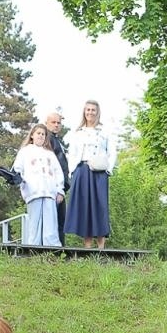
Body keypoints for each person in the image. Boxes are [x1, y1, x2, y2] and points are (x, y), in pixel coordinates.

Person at [63, 100, 115, 249]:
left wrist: (108, 169)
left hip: (99, 172)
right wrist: (73, 171)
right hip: (82, 170)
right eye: (88, 110)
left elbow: (112, 152)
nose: (90, 112)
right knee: (84, 206)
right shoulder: (78, 132)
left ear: (97, 112)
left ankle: (101, 247)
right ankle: (87, 247)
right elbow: (72, 153)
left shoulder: (105, 131)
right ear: (84, 112)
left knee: (100, 206)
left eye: (93, 110)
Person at [13, 123, 65, 248]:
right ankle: (33, 248)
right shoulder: (25, 152)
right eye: (38, 133)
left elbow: (58, 172)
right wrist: (18, 179)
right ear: (32, 135)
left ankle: (52, 248)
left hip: (49, 192)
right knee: (34, 223)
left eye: (43, 134)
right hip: (33, 191)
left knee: (50, 223)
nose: (41, 136)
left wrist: (60, 190)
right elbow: (17, 168)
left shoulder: (49, 154)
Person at [44, 110, 70, 245]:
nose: (56, 125)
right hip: (52, 187)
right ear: (46, 123)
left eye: (58, 123)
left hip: (61, 187)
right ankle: (55, 250)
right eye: (53, 122)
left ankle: (61, 250)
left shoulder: (57, 140)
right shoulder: (47, 140)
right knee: (54, 222)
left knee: (61, 221)